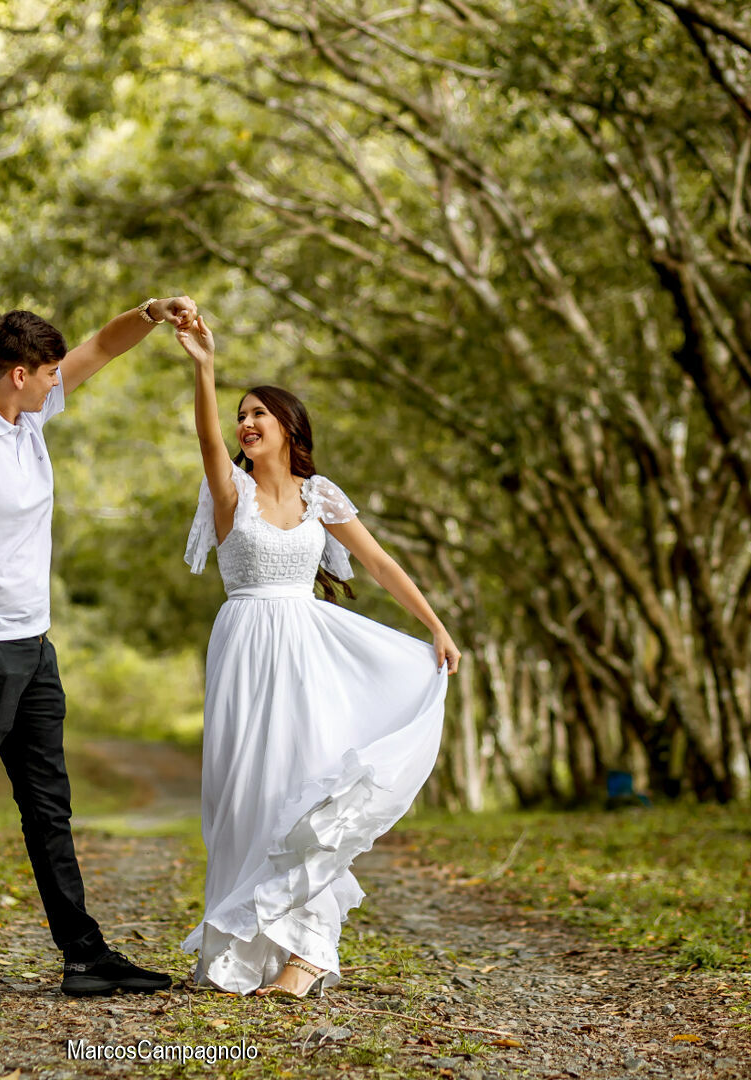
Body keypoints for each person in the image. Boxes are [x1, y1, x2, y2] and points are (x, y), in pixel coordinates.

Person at [0, 298, 196, 1007]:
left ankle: (83, 957)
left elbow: (103, 347)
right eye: (51, 373)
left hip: (33, 647)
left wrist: (152, 312)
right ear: (18, 373)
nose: (63, 381)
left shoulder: (25, 414)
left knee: (48, 808)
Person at [174, 313, 459, 998]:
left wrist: (435, 626)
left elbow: (381, 565)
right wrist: (203, 367)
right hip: (244, 645)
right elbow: (206, 438)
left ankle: (306, 957)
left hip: (308, 652)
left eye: (258, 414)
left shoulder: (319, 495)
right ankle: (242, 948)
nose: (245, 424)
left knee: (301, 792)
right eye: (241, 415)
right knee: (241, 797)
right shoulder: (228, 492)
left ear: (288, 429)